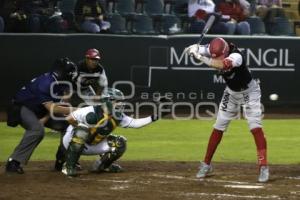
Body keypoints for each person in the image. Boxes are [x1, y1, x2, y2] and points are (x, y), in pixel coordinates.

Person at [184, 37, 269, 183]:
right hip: (231, 93)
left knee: (255, 127)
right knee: (218, 127)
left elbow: (221, 65)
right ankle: (206, 164)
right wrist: (192, 49)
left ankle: (263, 166)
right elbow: (198, 49)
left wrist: (199, 57)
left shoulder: (236, 56)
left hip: (250, 92)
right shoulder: (211, 48)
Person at [61, 88, 170, 176]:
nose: (120, 104)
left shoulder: (118, 116)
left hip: (93, 144)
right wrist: (83, 128)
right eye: (117, 101)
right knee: (82, 131)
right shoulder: (90, 111)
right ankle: (69, 166)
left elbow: (136, 124)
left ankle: (102, 166)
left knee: (120, 143)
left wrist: (156, 116)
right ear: (107, 101)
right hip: (72, 142)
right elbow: (69, 118)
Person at [5, 57, 77, 174]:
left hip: (40, 109)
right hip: (22, 107)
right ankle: (13, 162)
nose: (72, 76)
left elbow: (56, 105)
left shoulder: (60, 82)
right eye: (70, 73)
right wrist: (77, 109)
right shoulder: (46, 82)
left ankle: (62, 160)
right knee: (37, 130)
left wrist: (45, 118)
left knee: (68, 124)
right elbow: (53, 108)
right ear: (63, 72)